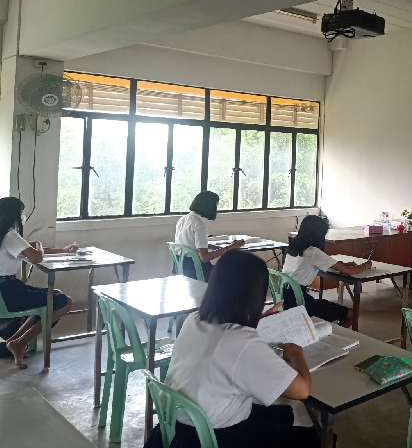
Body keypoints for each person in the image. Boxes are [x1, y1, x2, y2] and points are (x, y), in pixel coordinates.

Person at [144, 250, 318, 448]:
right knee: (311, 439)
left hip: (177, 428)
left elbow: (228, 343)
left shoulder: (194, 320)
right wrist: (296, 354)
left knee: (283, 414)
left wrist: (258, 320)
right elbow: (302, 390)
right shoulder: (243, 342)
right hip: (212, 439)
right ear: (256, 295)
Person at [0, 196, 76, 368]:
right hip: (9, 293)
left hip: (6, 290)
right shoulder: (10, 235)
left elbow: (29, 250)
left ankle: (14, 341)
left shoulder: (4, 234)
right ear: (14, 214)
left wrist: (63, 250)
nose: (23, 216)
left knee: (53, 296)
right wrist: (39, 244)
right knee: (64, 301)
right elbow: (37, 256)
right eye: (21, 212)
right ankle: (20, 343)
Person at [282, 215, 372, 328]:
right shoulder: (314, 252)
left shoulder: (293, 247)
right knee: (352, 314)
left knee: (325, 303)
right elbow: (349, 272)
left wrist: (344, 265)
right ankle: (329, 335)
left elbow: (329, 265)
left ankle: (327, 333)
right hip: (300, 303)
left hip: (286, 298)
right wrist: (365, 265)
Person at [174, 191, 244, 281]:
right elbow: (204, 258)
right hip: (197, 270)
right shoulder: (199, 225)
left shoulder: (183, 219)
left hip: (182, 267)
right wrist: (230, 247)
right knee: (236, 269)